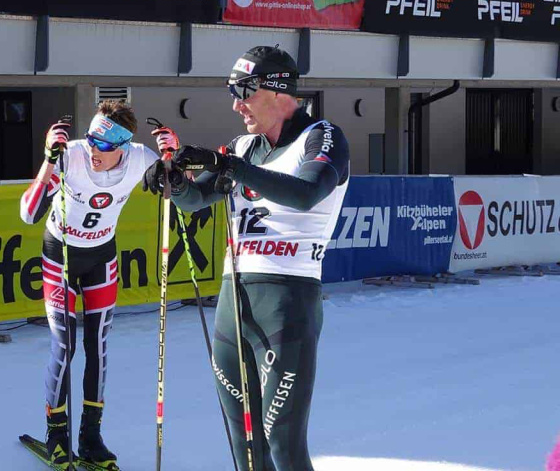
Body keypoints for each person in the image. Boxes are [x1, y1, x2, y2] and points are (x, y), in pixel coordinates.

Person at [142, 45, 350, 471]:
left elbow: (307, 192)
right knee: (246, 446)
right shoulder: (243, 146)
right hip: (231, 307)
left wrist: (227, 165)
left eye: (244, 93)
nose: (236, 105)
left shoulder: (322, 137)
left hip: (286, 305)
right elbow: (195, 199)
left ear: (276, 90)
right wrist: (172, 182)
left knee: (282, 445)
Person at [19, 101, 178, 470]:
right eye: (91, 140)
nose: (94, 151)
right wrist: (48, 161)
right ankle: (56, 435)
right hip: (60, 254)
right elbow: (28, 214)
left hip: (101, 257)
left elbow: (177, 190)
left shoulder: (140, 158)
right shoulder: (70, 155)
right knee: (65, 344)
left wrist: (174, 158)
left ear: (122, 146)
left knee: (98, 347)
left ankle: (91, 437)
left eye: (104, 146)